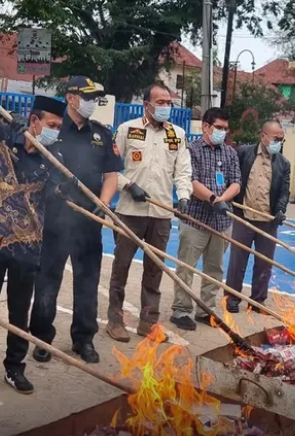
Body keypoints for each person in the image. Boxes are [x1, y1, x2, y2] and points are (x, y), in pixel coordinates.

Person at [0, 96, 75, 396]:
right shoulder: (1, 138)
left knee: (19, 312)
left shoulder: (53, 156)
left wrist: (63, 190)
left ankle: (15, 367)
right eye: (51, 125)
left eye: (59, 127)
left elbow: (52, 196)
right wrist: (8, 118)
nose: (54, 132)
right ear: (34, 121)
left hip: (27, 243)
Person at [30, 76, 123, 363]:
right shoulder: (53, 127)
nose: (93, 103)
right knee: (47, 281)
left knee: (87, 283)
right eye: (88, 97)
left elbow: (111, 175)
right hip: (55, 220)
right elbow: (34, 164)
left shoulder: (101, 134)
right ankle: (42, 338)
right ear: (71, 98)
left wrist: (103, 203)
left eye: (95, 98)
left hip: (88, 221)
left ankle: (84, 340)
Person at [105, 83, 192, 342]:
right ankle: (114, 320)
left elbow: (183, 170)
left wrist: (184, 197)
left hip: (161, 215)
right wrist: (128, 185)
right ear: (147, 105)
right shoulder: (127, 129)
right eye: (160, 102)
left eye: (169, 103)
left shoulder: (177, 134)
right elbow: (110, 168)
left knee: (154, 270)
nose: (166, 107)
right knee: (121, 267)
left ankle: (148, 322)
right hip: (130, 212)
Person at [170, 107, 241, 331]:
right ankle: (181, 310)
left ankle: (206, 310)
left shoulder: (230, 153)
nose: (222, 132)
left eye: (225, 128)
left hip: (221, 222)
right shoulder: (191, 150)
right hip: (195, 219)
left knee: (215, 268)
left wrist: (222, 200)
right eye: (218, 127)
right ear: (206, 126)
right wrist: (212, 199)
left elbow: (236, 183)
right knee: (187, 266)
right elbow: (190, 181)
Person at [225, 121, 291, 313]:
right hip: (243, 217)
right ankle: (232, 298)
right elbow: (233, 179)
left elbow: (284, 192)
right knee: (237, 261)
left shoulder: (283, 163)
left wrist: (280, 210)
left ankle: (257, 301)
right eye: (276, 139)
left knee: (264, 264)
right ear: (263, 137)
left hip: (268, 221)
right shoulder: (244, 153)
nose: (279, 143)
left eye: (282, 140)